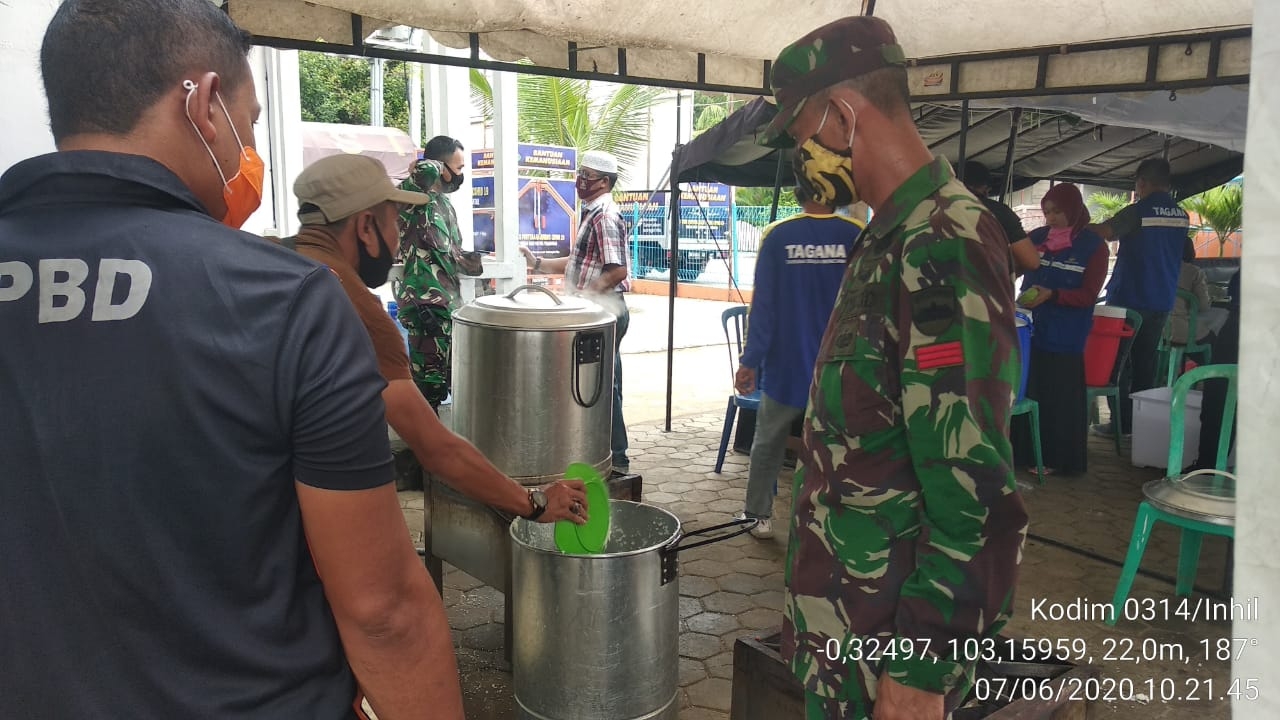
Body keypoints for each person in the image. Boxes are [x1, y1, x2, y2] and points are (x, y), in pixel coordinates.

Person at [1, 1, 463, 718]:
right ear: (204, 103)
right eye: (248, 127)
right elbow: (383, 612)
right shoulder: (284, 298)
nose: (247, 152)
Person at [758, 16, 1028, 720]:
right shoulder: (888, 236)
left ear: (844, 116)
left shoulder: (943, 244)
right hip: (848, 634)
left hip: (890, 659)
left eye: (799, 134)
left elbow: (975, 485)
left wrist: (924, 668)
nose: (800, 156)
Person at [289, 153, 588, 526]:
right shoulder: (350, 305)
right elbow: (438, 448)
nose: (398, 240)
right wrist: (535, 502)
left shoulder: (269, 256)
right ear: (366, 227)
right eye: (394, 223)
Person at [732, 176, 863, 539]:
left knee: (767, 444)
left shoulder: (777, 236)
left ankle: (757, 515)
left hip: (785, 366)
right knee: (837, 447)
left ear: (797, 192)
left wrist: (750, 361)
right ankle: (834, 519)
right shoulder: (856, 234)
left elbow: (764, 307)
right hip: (840, 366)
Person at [520, 150, 632, 473]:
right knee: (602, 381)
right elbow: (576, 260)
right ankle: (607, 453)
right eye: (580, 174)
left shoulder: (606, 216)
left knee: (600, 385)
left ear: (605, 182)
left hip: (603, 311)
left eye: (587, 177)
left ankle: (618, 458)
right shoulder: (591, 213)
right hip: (595, 311)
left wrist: (583, 297)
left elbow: (617, 271)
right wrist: (537, 263)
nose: (580, 181)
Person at [1088, 159, 1190, 437]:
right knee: (1145, 364)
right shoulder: (1182, 215)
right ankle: (1140, 426)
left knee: (1117, 363)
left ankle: (1120, 424)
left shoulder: (1138, 212)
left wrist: (1078, 229)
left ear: (1141, 182)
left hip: (1129, 300)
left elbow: (1104, 233)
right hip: (1162, 300)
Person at [1012, 184, 1109, 475]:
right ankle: (1024, 454)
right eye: (1047, 212)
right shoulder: (1037, 238)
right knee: (1030, 389)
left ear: (1074, 208)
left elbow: (1089, 294)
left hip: (1066, 335)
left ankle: (1057, 458)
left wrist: (1053, 295)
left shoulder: (1093, 247)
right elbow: (1013, 267)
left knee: (1059, 397)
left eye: (1057, 211)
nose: (1051, 218)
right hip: (1030, 330)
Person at [396, 135, 485, 414]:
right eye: (457, 168)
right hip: (425, 308)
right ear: (439, 165)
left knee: (453, 380)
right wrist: (430, 164)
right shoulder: (413, 197)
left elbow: (451, 254)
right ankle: (421, 453)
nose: (460, 175)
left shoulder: (444, 204)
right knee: (427, 387)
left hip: (449, 308)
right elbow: (421, 174)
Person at [963, 161, 1040, 273]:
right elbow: (1031, 262)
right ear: (985, 188)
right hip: (984, 286)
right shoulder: (999, 212)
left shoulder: (934, 208)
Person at [1167, 235, 1225, 347]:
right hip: (1182, 331)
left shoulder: (1157, 268)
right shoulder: (1194, 272)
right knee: (1214, 335)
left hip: (1159, 331)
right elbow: (1203, 306)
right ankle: (1211, 364)